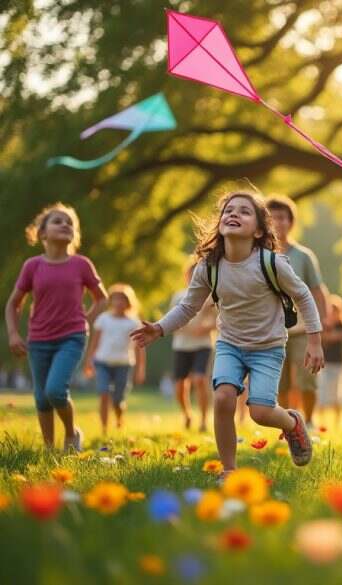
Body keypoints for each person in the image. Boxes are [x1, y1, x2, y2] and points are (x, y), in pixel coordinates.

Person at [131, 190, 324, 476]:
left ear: (258, 230)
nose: (234, 214)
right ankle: (229, 470)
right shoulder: (208, 266)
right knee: (222, 399)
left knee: (260, 412)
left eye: (244, 211)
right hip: (230, 345)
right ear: (220, 223)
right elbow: (188, 307)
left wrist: (315, 341)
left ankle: (293, 423)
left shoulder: (271, 263)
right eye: (229, 210)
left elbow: (304, 296)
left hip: (268, 347)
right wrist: (160, 328)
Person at [5, 203, 108, 451]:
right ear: (42, 233)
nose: (65, 225)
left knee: (55, 391)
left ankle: (72, 434)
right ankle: (49, 449)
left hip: (71, 337)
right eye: (58, 221)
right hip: (38, 339)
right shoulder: (32, 266)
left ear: (75, 234)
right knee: (42, 398)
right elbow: (13, 303)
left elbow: (101, 298)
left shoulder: (81, 264)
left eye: (69, 223)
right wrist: (13, 334)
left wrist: (86, 318)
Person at [266, 195, 327, 421]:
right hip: (271, 330)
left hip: (302, 330)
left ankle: (308, 422)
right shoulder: (259, 255)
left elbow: (318, 291)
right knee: (279, 383)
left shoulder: (303, 256)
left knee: (307, 379)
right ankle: (287, 423)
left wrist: (322, 322)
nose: (277, 222)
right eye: (272, 217)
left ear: (291, 222)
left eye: (282, 217)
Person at [82, 283, 145, 435]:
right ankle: (104, 429)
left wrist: (140, 369)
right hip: (102, 362)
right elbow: (94, 342)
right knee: (103, 394)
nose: (118, 302)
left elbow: (139, 348)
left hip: (123, 364)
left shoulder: (133, 322)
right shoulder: (103, 319)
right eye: (115, 299)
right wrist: (89, 361)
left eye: (122, 299)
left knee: (118, 399)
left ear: (128, 302)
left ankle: (119, 418)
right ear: (111, 301)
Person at [170, 263, 217, 432]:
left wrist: (206, 328)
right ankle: (187, 414)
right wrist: (186, 328)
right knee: (180, 385)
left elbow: (219, 320)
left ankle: (204, 420)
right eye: (192, 274)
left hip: (203, 345)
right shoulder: (178, 296)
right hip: (181, 346)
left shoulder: (212, 297)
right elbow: (172, 320)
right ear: (187, 276)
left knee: (200, 379)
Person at [315, 293, 342, 429]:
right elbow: (323, 337)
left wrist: (328, 334)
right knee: (322, 394)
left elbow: (337, 336)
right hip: (324, 364)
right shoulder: (323, 325)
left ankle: (337, 423)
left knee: (338, 395)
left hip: (338, 365)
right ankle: (321, 422)